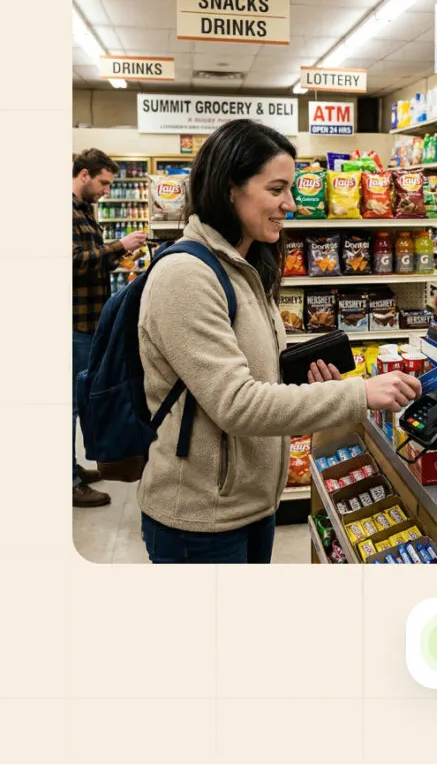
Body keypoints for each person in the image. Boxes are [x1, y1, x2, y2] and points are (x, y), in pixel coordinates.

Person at [136, 119, 422, 564]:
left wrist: (304, 380)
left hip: (250, 503)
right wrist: (357, 394)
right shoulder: (186, 276)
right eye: (276, 189)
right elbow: (236, 404)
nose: (290, 203)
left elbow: (251, 371)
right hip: (201, 518)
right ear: (230, 189)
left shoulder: (247, 266)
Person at [72, 148, 149, 507]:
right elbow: (72, 262)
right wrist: (119, 243)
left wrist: (119, 254)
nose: (106, 190)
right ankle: (70, 482)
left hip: (91, 321)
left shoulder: (86, 211)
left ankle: (72, 469)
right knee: (73, 402)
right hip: (74, 323)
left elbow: (92, 260)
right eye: (103, 182)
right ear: (84, 175)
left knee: (81, 397)